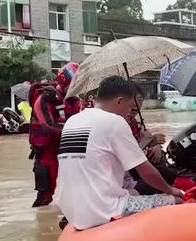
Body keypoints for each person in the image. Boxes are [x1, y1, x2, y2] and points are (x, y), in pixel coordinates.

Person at [53, 76, 184, 230]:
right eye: (129, 107)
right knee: (176, 200)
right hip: (102, 209)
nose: (129, 112)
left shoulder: (73, 121)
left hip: (70, 208)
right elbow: (146, 171)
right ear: (120, 101)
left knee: (134, 192)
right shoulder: (115, 122)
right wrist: (170, 190)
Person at [29, 63, 82, 207]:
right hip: (47, 151)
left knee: (76, 191)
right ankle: (41, 223)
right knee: (45, 195)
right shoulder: (44, 99)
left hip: (68, 149)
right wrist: (74, 129)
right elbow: (47, 125)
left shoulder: (75, 101)